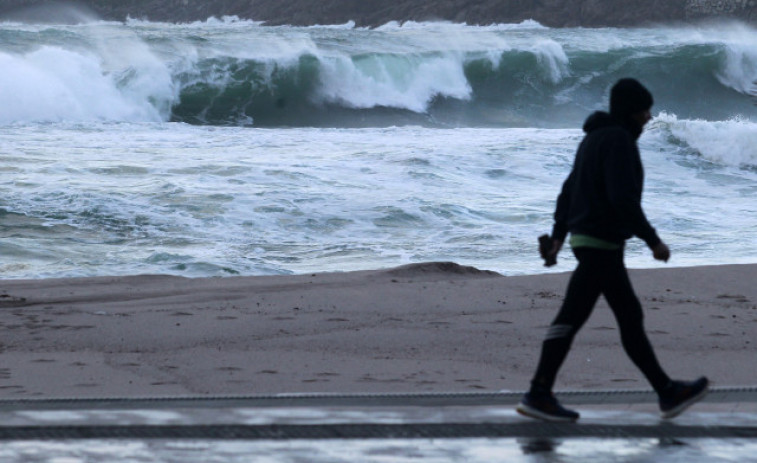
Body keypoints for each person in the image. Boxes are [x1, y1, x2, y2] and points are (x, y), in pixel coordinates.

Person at [516, 78, 709, 422]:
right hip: (599, 242)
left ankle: (666, 392)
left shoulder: (592, 139)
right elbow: (622, 198)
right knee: (577, 319)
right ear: (631, 112)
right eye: (645, 110)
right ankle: (539, 393)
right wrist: (653, 240)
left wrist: (558, 236)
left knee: (624, 318)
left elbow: (567, 189)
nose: (649, 118)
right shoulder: (619, 140)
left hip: (589, 241)